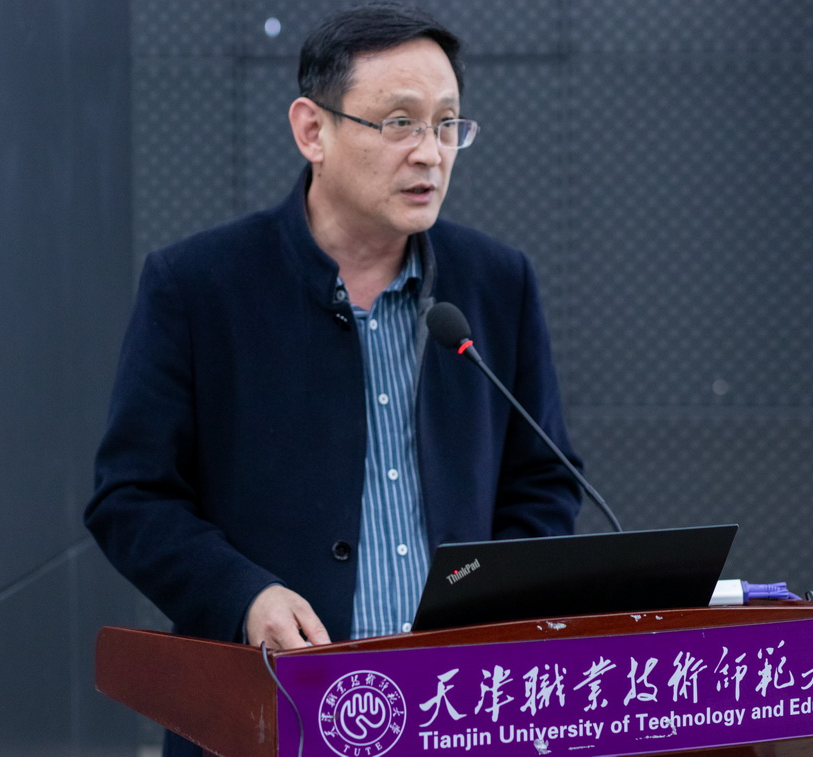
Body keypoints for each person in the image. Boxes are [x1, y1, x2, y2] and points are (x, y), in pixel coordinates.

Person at [86, 4, 581, 752]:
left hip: (458, 712)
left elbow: (544, 481)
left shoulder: (495, 281)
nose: (430, 154)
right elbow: (130, 497)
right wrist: (244, 596)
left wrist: (492, 597)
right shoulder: (197, 285)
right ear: (312, 130)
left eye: (447, 124)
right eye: (399, 123)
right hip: (267, 709)